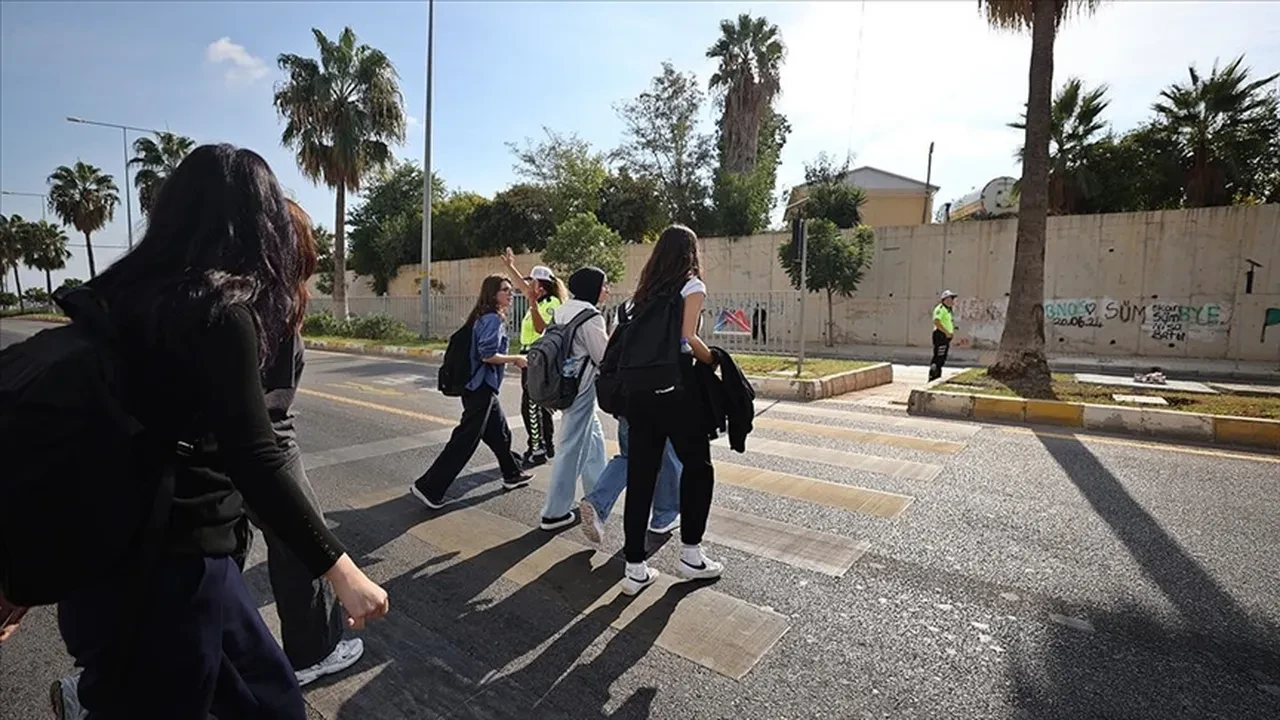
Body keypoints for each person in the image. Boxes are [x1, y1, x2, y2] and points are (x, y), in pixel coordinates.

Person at [50, 144, 389, 719]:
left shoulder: (110, 298)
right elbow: (255, 451)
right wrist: (341, 568)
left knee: (261, 698)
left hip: (101, 552)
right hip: (176, 563)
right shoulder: (218, 310)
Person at [620, 224, 721, 596]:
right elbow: (687, 338)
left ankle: (634, 568)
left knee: (641, 474)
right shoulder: (691, 286)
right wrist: (714, 359)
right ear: (690, 252)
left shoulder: (640, 295)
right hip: (676, 390)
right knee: (698, 467)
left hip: (639, 393)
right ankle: (691, 555)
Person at [411, 275, 532, 509]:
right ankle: (429, 487)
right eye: (505, 290)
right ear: (492, 294)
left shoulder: (482, 316)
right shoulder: (492, 319)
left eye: (510, 290)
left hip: (478, 387)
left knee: (500, 433)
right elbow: (487, 355)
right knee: (465, 440)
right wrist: (516, 358)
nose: (510, 294)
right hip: (480, 388)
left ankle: (512, 473)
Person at [579, 303, 682, 545]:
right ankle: (664, 516)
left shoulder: (628, 306)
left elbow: (612, 350)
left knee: (629, 456)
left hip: (627, 391)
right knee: (669, 455)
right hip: (660, 392)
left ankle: (597, 502)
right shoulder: (674, 302)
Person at [539, 267, 611, 531]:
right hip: (581, 387)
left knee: (594, 439)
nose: (607, 290)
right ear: (593, 287)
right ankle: (553, 513)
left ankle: (597, 496)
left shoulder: (563, 308)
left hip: (563, 382)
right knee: (570, 448)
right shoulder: (591, 316)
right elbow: (602, 356)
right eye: (605, 285)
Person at [500, 247, 566, 467]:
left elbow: (540, 329)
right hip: (530, 356)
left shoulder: (551, 304)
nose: (529, 286)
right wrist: (510, 267)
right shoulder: (538, 301)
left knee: (530, 405)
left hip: (537, 357)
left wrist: (531, 304)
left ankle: (537, 448)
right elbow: (521, 285)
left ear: (543, 285)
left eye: (533, 283)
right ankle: (546, 445)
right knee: (539, 405)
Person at [929, 290, 958, 381]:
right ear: (945, 299)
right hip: (940, 335)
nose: (953, 300)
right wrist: (946, 332)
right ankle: (933, 377)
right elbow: (937, 321)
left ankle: (937, 376)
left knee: (941, 358)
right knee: (938, 357)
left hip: (945, 337)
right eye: (951, 298)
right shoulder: (940, 309)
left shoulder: (948, 310)